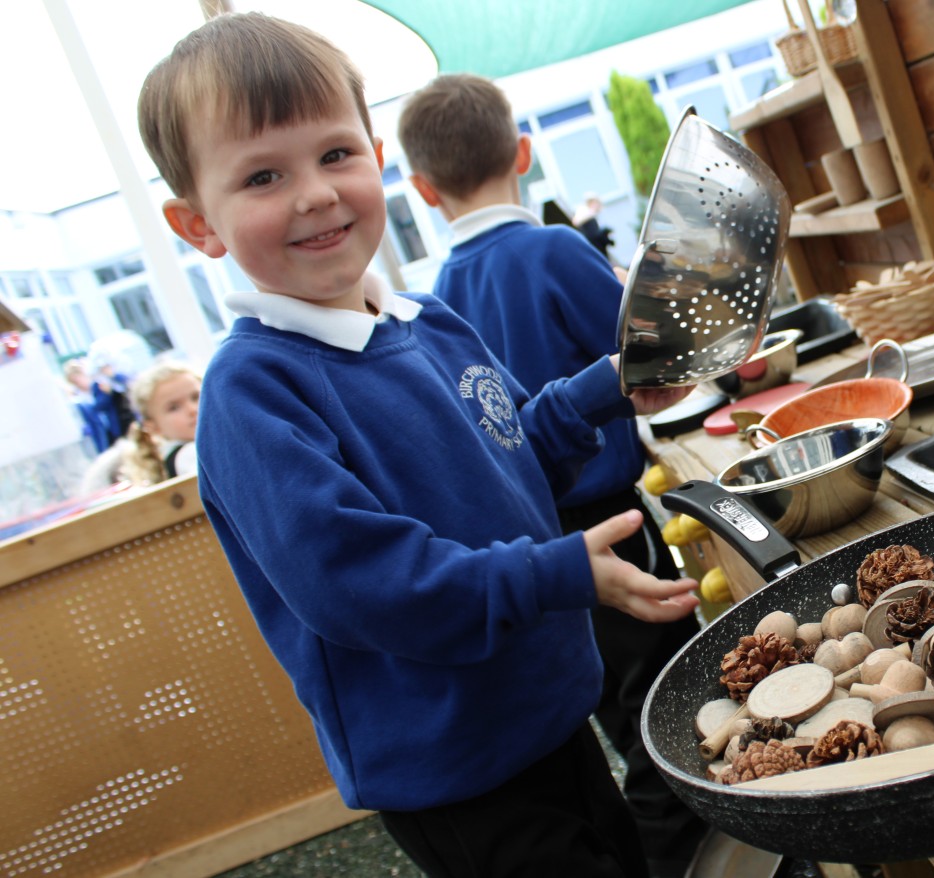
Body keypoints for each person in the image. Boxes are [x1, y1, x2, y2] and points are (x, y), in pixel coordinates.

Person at [137, 13, 698, 878]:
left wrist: (605, 387)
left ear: (378, 158)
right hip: (454, 767)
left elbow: (516, 458)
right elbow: (365, 585)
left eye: (335, 155)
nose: (314, 194)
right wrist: (554, 575)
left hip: (550, 707)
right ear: (197, 225)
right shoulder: (252, 395)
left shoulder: (428, 321)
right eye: (262, 176)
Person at [397, 73, 708, 877]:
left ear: (423, 190)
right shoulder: (553, 248)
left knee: (624, 720)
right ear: (524, 154)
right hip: (608, 529)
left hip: (531, 551)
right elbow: (646, 350)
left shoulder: (439, 296)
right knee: (673, 714)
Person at [77, 360, 202, 494]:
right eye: (174, 408)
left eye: (196, 397)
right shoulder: (189, 455)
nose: (193, 409)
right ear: (153, 426)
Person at [572, 191, 616, 260]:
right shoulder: (586, 214)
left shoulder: (591, 217)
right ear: (592, 202)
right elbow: (576, 221)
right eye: (597, 203)